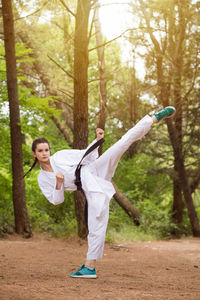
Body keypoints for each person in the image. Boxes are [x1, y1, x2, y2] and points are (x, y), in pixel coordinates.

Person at [25, 106, 176, 279]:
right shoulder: (42, 178)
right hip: (88, 185)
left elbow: (86, 156)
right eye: (40, 151)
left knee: (121, 144)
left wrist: (97, 140)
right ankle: (90, 267)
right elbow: (56, 200)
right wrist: (58, 184)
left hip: (93, 169)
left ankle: (153, 118)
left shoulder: (59, 156)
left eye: (46, 150)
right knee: (97, 222)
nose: (45, 153)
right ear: (34, 154)